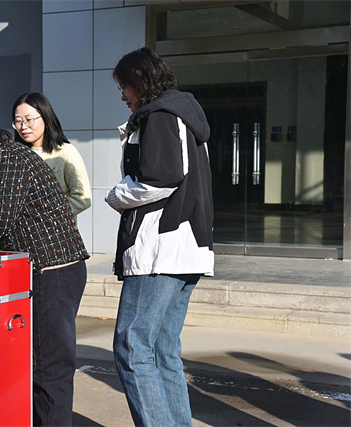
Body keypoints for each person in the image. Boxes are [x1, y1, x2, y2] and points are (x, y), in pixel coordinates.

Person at [0, 108, 89, 426]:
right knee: (39, 366)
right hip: (51, 271)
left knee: (49, 370)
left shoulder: (8, 159)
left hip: (54, 273)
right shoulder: (7, 159)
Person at [105, 47, 214, 426]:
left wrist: (117, 195)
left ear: (142, 81)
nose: (122, 94)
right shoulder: (181, 113)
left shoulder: (161, 115)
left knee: (132, 347)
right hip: (185, 248)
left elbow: (162, 176)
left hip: (160, 249)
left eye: (125, 86)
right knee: (163, 349)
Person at [11, 92, 91, 217]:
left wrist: (44, 215)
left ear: (45, 118)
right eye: (18, 121)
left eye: (29, 120)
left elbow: (82, 198)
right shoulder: (13, 155)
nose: (23, 126)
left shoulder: (65, 152)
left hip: (56, 233)